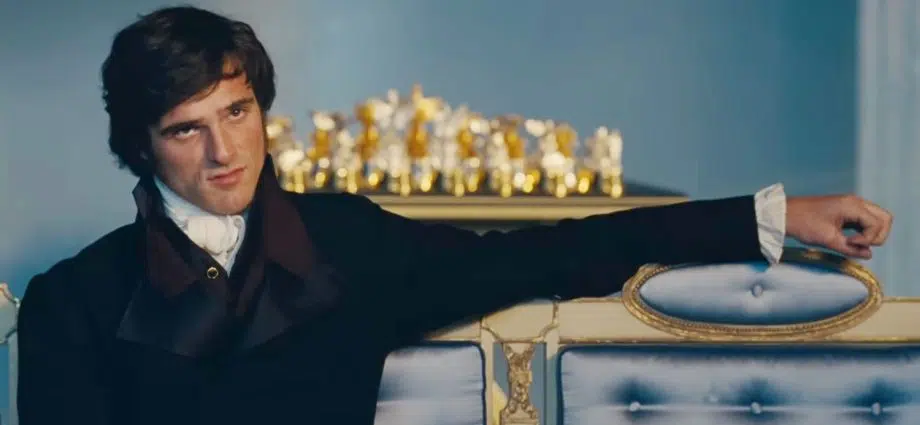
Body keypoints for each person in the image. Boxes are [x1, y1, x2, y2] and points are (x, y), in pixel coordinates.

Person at [16, 5, 892, 425]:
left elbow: (552, 252)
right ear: (141, 146)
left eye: (237, 111)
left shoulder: (345, 242)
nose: (223, 151)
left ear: (261, 108)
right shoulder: (73, 299)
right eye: (187, 128)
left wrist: (771, 216)